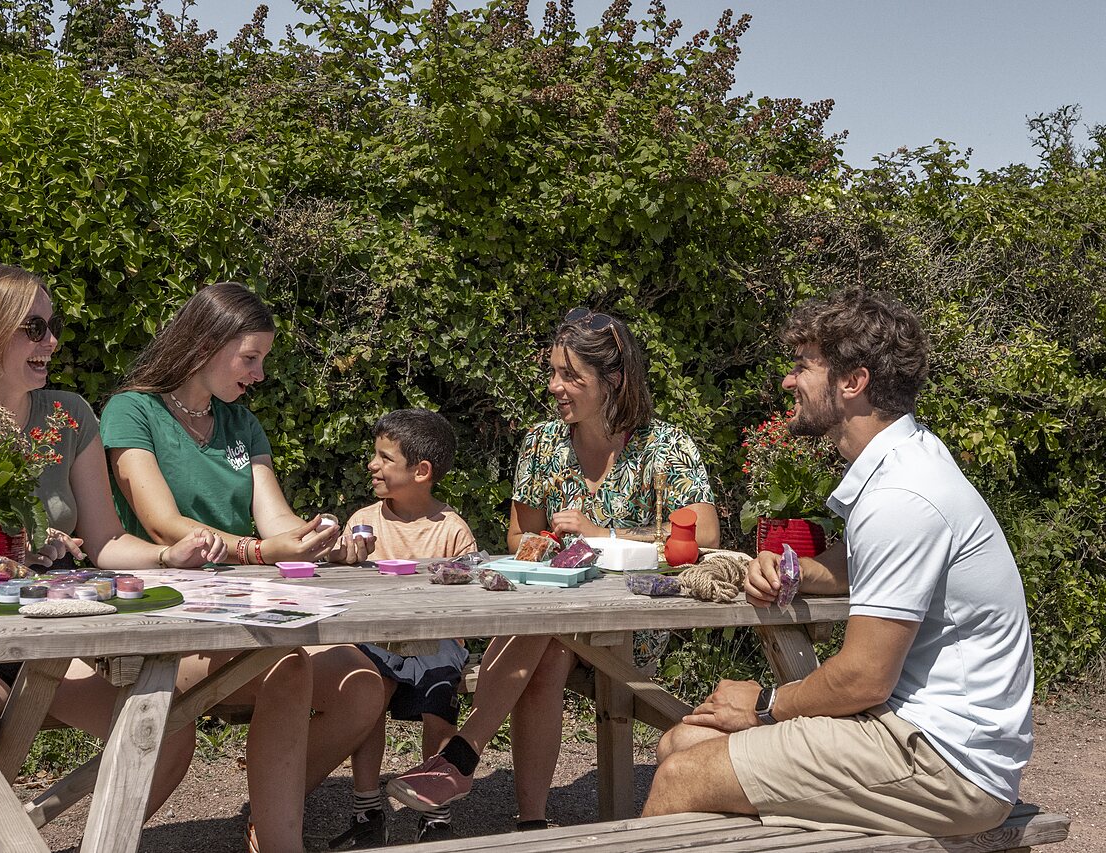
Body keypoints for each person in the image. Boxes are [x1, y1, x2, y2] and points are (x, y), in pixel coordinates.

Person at [643, 289, 1033, 836]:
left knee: (683, 776)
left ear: (853, 382)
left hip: (945, 763)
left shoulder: (901, 495)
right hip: (915, 734)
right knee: (682, 741)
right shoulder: (912, 457)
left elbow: (864, 679)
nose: (788, 382)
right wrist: (796, 572)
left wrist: (761, 704)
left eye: (803, 367)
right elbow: (864, 565)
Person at [0, 264, 227, 853]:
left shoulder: (68, 416)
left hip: (52, 639)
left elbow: (106, 543)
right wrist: (16, 564)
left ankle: (67, 842)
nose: (53, 341)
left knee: (165, 736)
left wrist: (167, 555)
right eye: (36, 327)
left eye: (55, 325)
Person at [387, 307, 719, 829]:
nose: (554, 387)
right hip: (557, 615)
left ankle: (466, 754)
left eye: (570, 375)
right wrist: (547, 544)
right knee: (549, 642)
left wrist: (603, 536)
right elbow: (519, 536)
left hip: (634, 621)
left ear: (613, 379)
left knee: (544, 629)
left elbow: (704, 537)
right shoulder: (542, 444)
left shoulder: (666, 446)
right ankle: (529, 822)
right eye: (553, 373)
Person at [99, 282, 388, 851]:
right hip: (160, 618)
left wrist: (319, 539)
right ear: (205, 344)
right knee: (287, 667)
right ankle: (284, 841)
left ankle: (270, 810)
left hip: (241, 613)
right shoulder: (132, 410)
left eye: (262, 361)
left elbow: (276, 522)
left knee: (361, 685)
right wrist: (261, 552)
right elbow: (162, 525)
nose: (257, 375)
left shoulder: (241, 424)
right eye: (250, 358)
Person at [328, 409, 477, 848]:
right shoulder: (365, 521)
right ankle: (367, 806)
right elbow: (345, 591)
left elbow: (469, 600)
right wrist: (345, 557)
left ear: (421, 471)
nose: (372, 464)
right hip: (377, 640)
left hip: (438, 641)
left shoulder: (451, 530)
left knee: (439, 696)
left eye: (384, 457)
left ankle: (435, 807)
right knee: (370, 688)